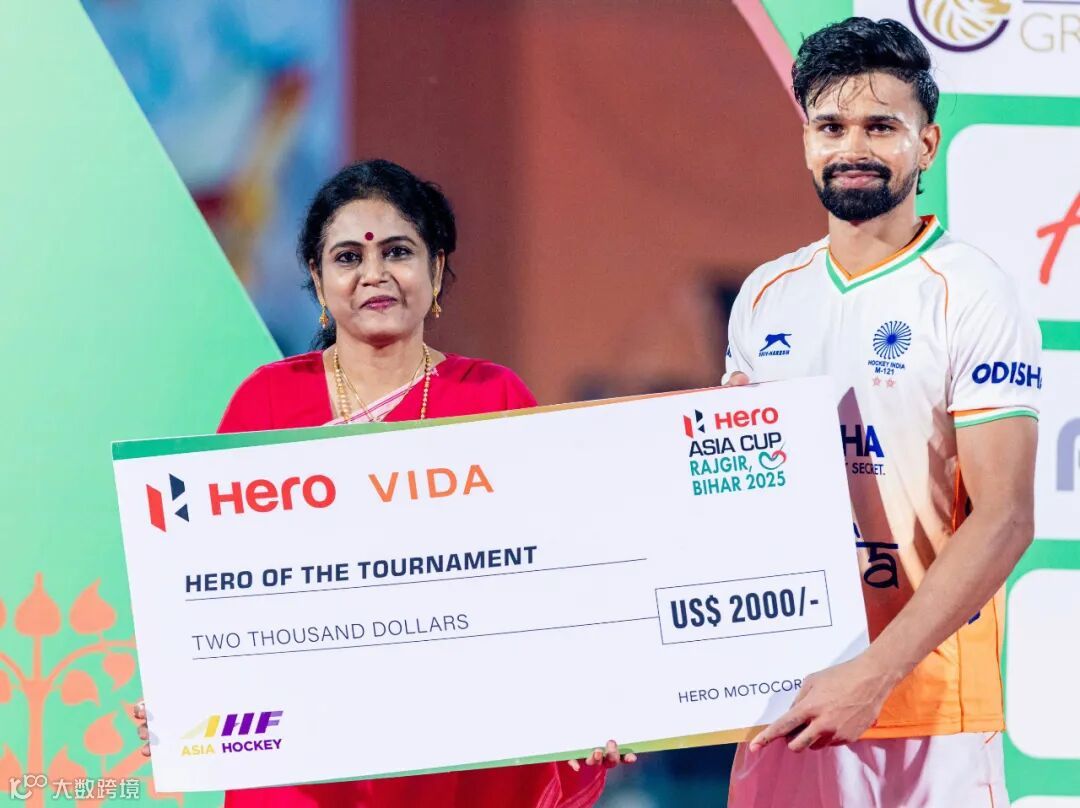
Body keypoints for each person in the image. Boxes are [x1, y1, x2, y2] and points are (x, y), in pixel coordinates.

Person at [134, 159, 633, 807]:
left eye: (398, 251)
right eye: (348, 257)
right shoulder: (267, 403)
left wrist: (598, 696)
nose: (374, 273)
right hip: (305, 759)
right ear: (318, 280)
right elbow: (214, 581)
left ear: (436, 269)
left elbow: (552, 576)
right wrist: (185, 691)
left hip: (459, 754)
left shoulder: (493, 397)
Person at [722, 18, 1039, 807]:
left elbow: (1005, 517)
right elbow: (729, 498)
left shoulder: (970, 291)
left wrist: (873, 674)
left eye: (880, 126)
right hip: (783, 701)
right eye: (831, 126)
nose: (853, 146)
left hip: (930, 712)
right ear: (806, 142)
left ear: (926, 145)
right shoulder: (765, 296)